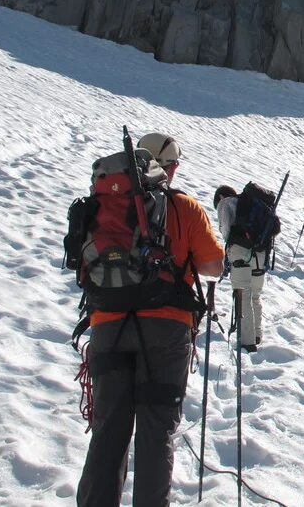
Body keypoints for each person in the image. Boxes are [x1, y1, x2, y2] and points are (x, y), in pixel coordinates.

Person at [78, 132, 225, 507]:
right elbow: (212, 266)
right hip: (167, 327)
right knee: (156, 431)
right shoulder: (184, 207)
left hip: (107, 325)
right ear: (167, 167)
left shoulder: (100, 204)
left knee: (108, 429)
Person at [213, 185, 269, 353]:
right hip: (260, 253)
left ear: (221, 196)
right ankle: (257, 334)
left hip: (240, 252)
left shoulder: (226, 203)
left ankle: (247, 341)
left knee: (242, 295)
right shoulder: (253, 204)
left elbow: (225, 230)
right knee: (255, 295)